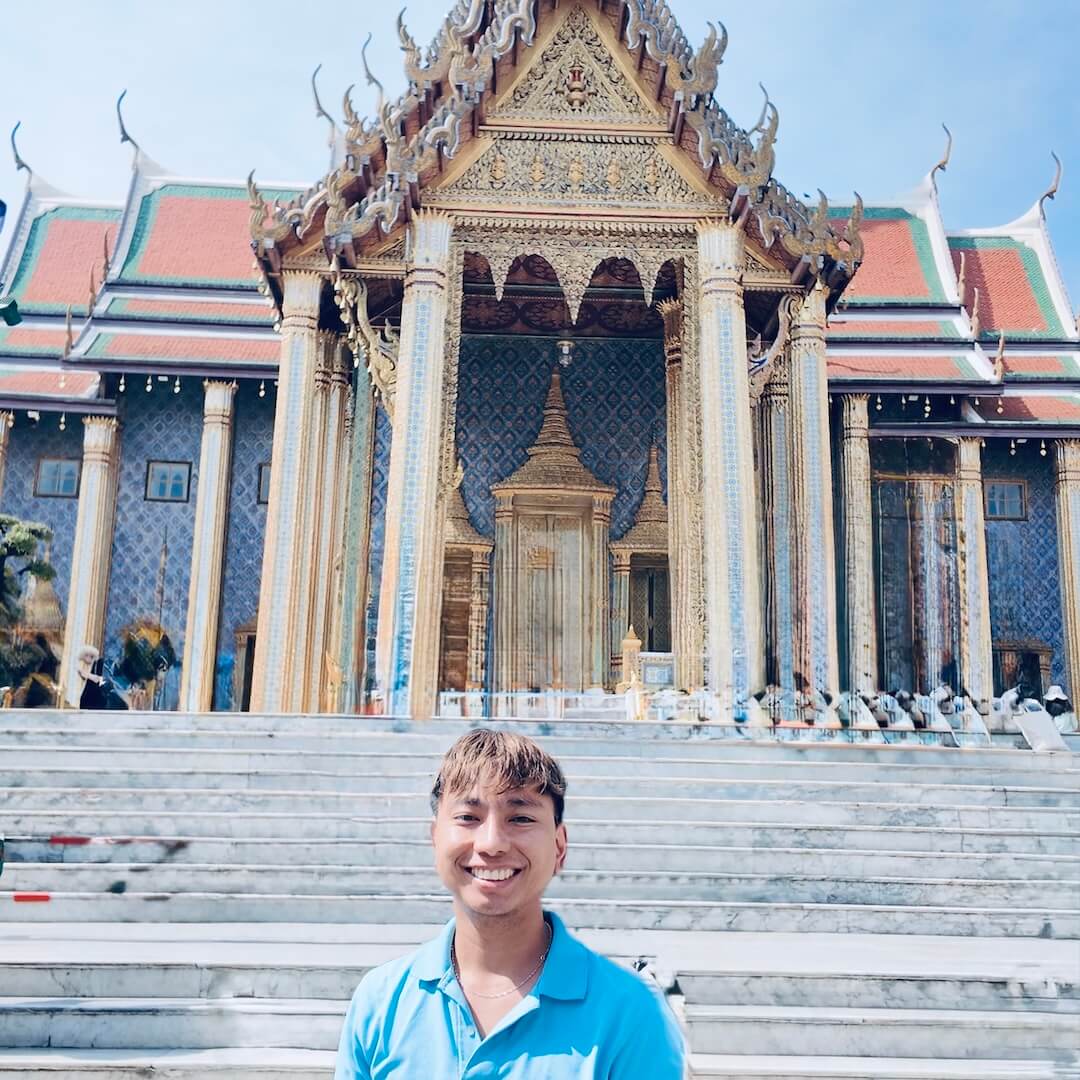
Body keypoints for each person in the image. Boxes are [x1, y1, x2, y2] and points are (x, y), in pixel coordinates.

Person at [335, 729, 686, 1078]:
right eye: (468, 817)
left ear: (559, 846)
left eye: (520, 818)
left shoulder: (631, 1011)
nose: (491, 844)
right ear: (435, 838)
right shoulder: (381, 1002)